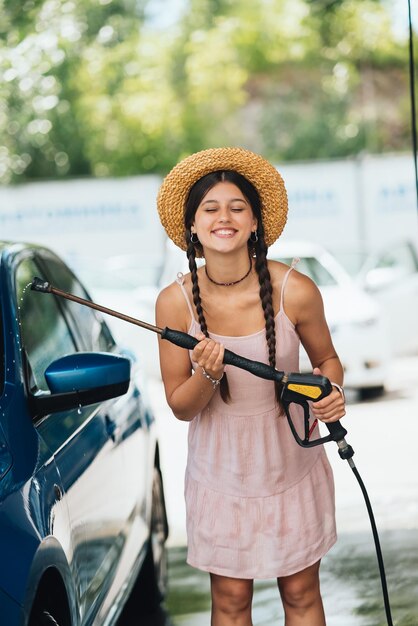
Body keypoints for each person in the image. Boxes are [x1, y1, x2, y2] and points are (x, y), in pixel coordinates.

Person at [155, 147, 346, 626]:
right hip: (220, 473)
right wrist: (208, 375)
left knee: (302, 594)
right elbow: (180, 406)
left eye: (237, 207)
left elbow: (327, 362)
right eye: (210, 208)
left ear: (256, 221)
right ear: (192, 227)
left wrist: (331, 393)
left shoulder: (294, 289)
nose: (225, 217)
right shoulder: (173, 303)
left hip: (292, 463)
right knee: (231, 601)